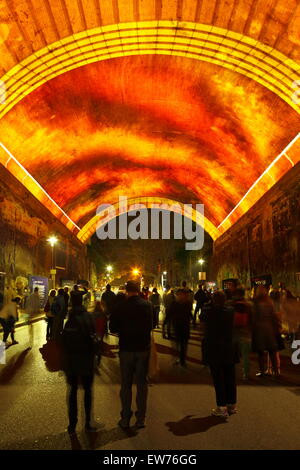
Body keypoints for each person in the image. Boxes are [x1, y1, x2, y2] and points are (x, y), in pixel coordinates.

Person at [110, 280, 152, 429]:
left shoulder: (120, 306)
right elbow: (151, 326)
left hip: (126, 348)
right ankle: (141, 418)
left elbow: (113, 327)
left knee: (126, 384)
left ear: (126, 290)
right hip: (142, 349)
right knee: (142, 384)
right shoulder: (147, 305)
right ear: (138, 289)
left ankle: (125, 417)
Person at [202, 290, 240, 418]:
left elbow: (203, 317)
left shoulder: (208, 311)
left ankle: (221, 407)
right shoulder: (230, 311)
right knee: (230, 377)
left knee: (218, 379)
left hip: (214, 349)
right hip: (229, 348)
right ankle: (232, 404)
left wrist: (209, 302)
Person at [61, 306, 97, 434]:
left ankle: (72, 424)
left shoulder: (69, 322)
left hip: (71, 362)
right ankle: (88, 422)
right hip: (86, 360)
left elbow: (63, 342)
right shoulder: (88, 318)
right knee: (87, 391)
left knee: (72, 392)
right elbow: (94, 339)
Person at [252, 286, 281, 377]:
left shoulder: (256, 303)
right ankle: (276, 371)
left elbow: (254, 317)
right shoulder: (269, 302)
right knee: (272, 350)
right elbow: (274, 315)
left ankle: (262, 371)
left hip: (260, 329)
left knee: (260, 352)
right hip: (269, 328)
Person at [168, 289, 193, 366]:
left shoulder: (186, 303)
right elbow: (170, 314)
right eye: (180, 294)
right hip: (178, 326)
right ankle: (180, 359)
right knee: (179, 344)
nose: (181, 296)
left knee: (182, 344)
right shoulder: (176, 303)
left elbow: (189, 314)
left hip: (183, 326)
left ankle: (181, 360)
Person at [232, 287, 253, 380]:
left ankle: (230, 373)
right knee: (245, 356)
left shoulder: (231, 304)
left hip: (234, 333)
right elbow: (252, 319)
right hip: (246, 333)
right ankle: (246, 374)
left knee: (231, 355)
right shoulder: (249, 305)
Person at [92, 301, 107, 368]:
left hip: (94, 332)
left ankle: (94, 356)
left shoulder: (93, 314)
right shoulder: (103, 314)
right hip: (100, 332)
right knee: (99, 344)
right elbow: (105, 324)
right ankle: (98, 357)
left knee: (94, 344)